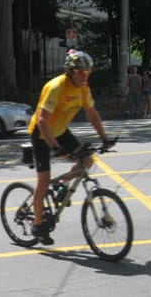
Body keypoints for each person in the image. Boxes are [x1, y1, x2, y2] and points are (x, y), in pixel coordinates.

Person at [27, 50, 115, 246]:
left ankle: (61, 184)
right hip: (41, 134)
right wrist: (54, 147)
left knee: (87, 160)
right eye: (81, 72)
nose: (85, 75)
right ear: (70, 72)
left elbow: (92, 114)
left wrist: (105, 139)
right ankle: (37, 224)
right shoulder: (56, 87)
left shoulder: (83, 88)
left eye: (88, 72)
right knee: (43, 180)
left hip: (60, 131)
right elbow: (42, 120)